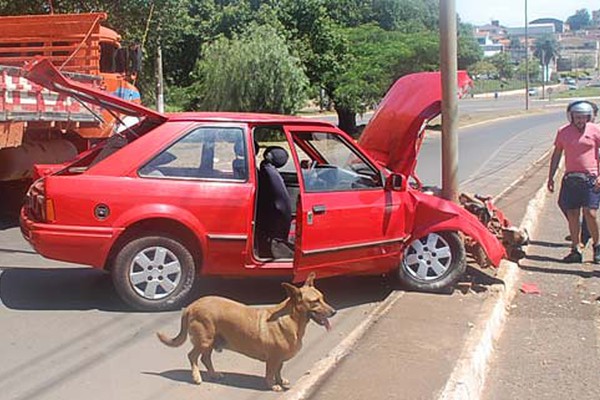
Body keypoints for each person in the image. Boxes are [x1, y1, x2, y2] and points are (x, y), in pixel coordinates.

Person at [548, 101, 600, 263]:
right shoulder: (563, 132)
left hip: (591, 179)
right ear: (571, 117)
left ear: (589, 117)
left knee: (590, 214)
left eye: (583, 117)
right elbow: (557, 154)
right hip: (571, 179)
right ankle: (575, 249)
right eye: (577, 117)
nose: (580, 120)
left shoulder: (595, 130)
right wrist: (551, 177)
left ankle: (597, 246)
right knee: (572, 214)